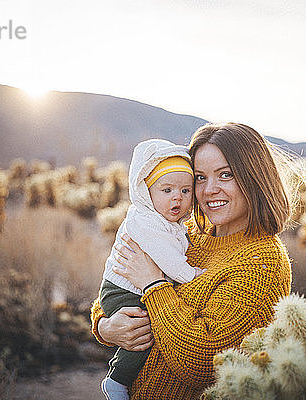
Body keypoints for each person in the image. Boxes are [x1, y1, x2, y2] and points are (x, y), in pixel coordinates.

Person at [91, 122, 293, 399]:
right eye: (200, 177)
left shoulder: (262, 262)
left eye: (225, 175)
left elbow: (203, 363)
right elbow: (120, 283)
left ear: (254, 178)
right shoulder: (185, 233)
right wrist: (106, 327)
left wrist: (154, 285)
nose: (209, 190)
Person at [99, 138, 205, 400]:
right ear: (148, 193)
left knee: (146, 328)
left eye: (185, 191)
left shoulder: (172, 224)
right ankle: (117, 380)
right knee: (144, 333)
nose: (177, 198)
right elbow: (170, 261)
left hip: (130, 287)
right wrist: (191, 275)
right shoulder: (147, 223)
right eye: (166, 190)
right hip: (122, 291)